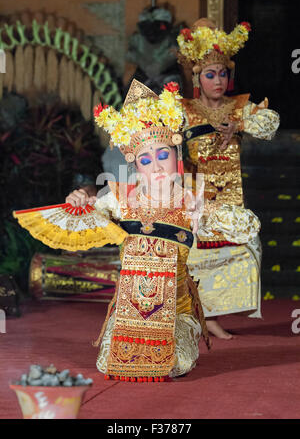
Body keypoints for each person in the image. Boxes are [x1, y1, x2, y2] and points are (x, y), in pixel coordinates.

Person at [14, 80, 260, 381]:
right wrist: (79, 199)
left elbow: (249, 226)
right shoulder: (119, 197)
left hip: (176, 312)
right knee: (110, 364)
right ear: (135, 164)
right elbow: (84, 219)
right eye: (146, 159)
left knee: (171, 364)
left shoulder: (190, 201)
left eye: (163, 155)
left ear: (176, 155)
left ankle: (189, 330)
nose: (156, 166)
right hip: (130, 312)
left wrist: (207, 211)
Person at [177, 19, 280, 339]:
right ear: (197, 77)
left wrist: (241, 126)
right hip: (197, 198)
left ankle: (214, 315)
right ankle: (197, 317)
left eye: (223, 74)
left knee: (246, 247)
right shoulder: (183, 109)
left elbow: (271, 122)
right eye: (210, 74)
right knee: (196, 256)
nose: (218, 80)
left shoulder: (239, 108)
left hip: (231, 196)